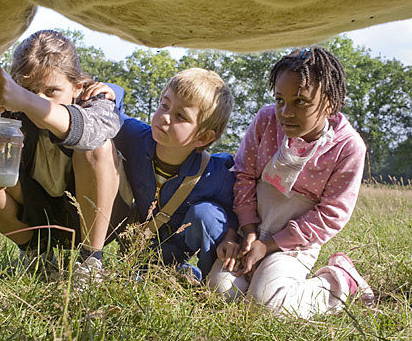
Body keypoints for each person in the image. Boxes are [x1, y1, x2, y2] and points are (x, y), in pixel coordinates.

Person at [0, 30, 131, 281]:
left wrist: (23, 99)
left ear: (77, 87)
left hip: (100, 219)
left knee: (97, 148)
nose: (39, 98)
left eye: (52, 91)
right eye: (29, 90)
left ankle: (90, 265)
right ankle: (38, 257)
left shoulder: (96, 100)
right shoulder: (5, 108)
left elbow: (93, 133)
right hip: (38, 213)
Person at [207, 46, 375, 318]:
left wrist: (269, 246)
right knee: (220, 289)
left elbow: (331, 214)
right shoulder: (265, 121)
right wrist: (250, 232)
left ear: (329, 102)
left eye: (300, 102)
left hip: (294, 245)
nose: (286, 112)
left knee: (267, 306)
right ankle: (261, 276)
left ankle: (341, 281)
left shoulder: (348, 147)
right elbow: (244, 175)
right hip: (252, 231)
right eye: (280, 100)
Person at [113, 68, 238, 279]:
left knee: (206, 213)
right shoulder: (135, 137)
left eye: (180, 115)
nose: (165, 117)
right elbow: (113, 111)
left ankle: (208, 278)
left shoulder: (214, 173)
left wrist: (232, 236)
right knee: (136, 278)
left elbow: (236, 209)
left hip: (185, 244)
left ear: (203, 137)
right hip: (145, 243)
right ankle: (174, 273)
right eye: (164, 105)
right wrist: (110, 91)